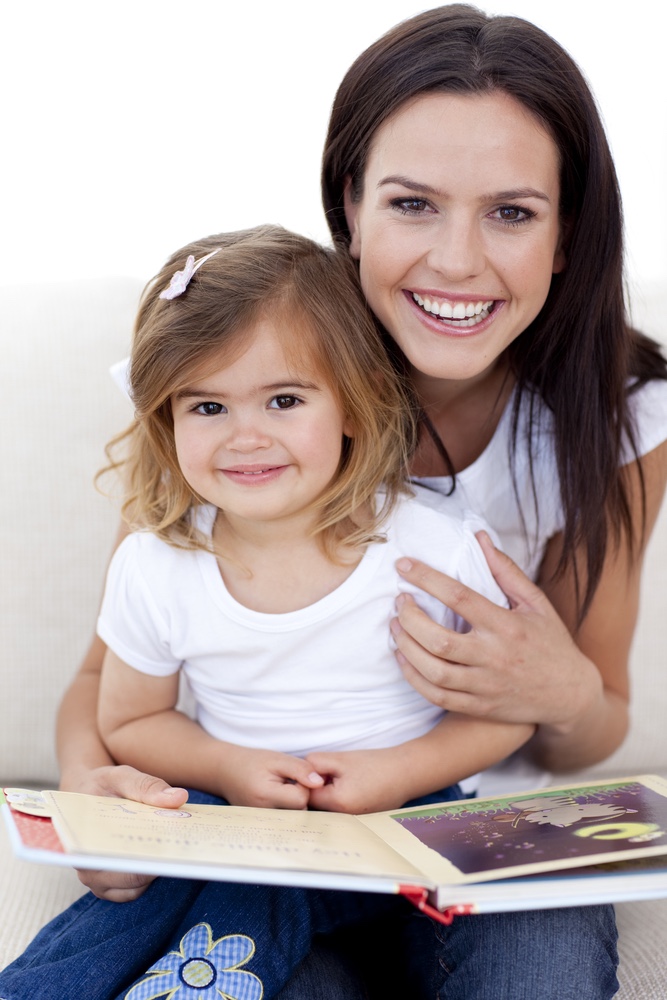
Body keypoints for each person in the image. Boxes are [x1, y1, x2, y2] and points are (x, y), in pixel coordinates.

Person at [39, 4, 667, 998]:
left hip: (480, 822)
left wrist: (563, 691)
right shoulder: (238, 389)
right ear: (350, 206)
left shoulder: (614, 418)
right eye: (412, 203)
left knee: (538, 964)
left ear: (564, 235)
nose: (457, 260)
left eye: (511, 211)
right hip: (273, 824)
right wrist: (93, 789)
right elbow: (107, 677)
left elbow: (594, 726)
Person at [0, 225, 533, 1000]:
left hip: (410, 816)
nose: (245, 435)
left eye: (283, 400)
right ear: (167, 421)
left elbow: (509, 713)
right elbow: (131, 720)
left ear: (353, 406)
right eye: (208, 405)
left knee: (262, 892)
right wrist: (229, 768)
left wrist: (391, 774)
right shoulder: (158, 563)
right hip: (238, 812)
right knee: (178, 892)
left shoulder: (439, 550)